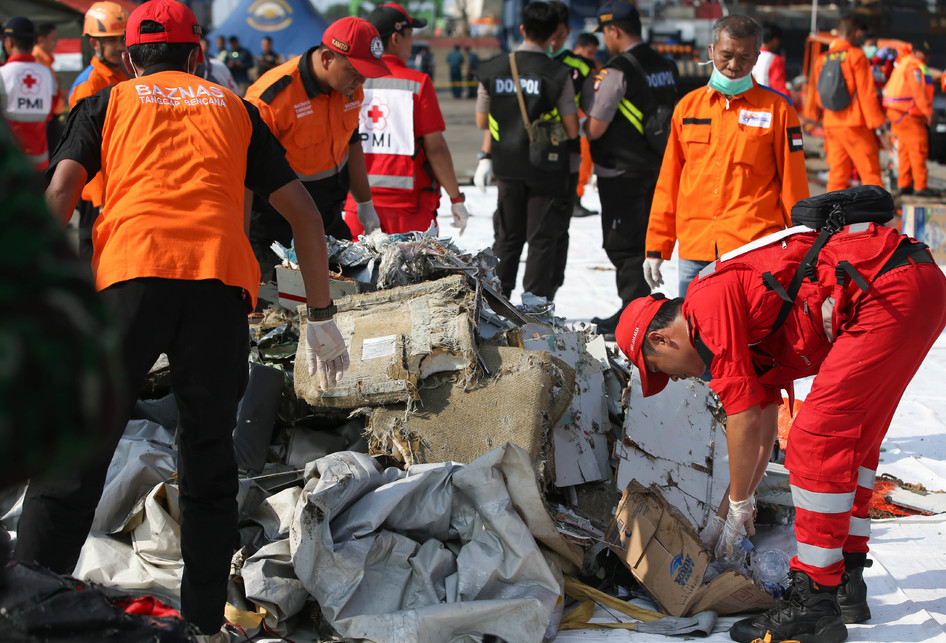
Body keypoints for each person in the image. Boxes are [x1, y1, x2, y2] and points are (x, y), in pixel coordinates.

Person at [14, 3, 350, 642]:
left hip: (128, 285)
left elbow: (57, 198)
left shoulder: (109, 103)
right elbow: (306, 216)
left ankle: (30, 604)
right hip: (217, 289)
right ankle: (200, 622)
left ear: (132, 57)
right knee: (207, 459)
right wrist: (323, 316)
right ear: (198, 55)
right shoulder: (234, 108)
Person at [615, 187, 946, 643]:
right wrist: (740, 502)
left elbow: (744, 414)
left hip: (887, 289)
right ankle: (845, 581)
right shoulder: (726, 316)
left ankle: (813, 601)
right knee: (855, 443)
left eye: (660, 373)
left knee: (815, 441)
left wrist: (733, 507)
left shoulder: (706, 306)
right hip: (911, 281)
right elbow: (764, 413)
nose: (673, 380)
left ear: (661, 341)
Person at [645, 15, 810, 298]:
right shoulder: (688, 108)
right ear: (711, 51)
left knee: (747, 334)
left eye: (745, 57)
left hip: (753, 249)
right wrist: (657, 246)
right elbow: (670, 181)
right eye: (726, 55)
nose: (734, 65)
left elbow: (794, 186)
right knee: (694, 334)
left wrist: (803, 248)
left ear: (757, 57)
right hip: (696, 248)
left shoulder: (778, 111)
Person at [244, 17, 389, 279]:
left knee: (347, 292)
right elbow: (243, 176)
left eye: (365, 75)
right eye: (355, 71)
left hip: (329, 215)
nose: (360, 82)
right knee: (280, 308)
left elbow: (352, 143)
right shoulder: (271, 99)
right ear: (326, 59)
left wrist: (365, 203)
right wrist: (239, 240)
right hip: (276, 223)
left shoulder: (348, 88)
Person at [581, 0, 679, 337]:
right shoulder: (664, 64)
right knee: (644, 241)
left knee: (623, 245)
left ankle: (634, 314)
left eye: (606, 33)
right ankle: (636, 309)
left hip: (621, 170)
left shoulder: (617, 70)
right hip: (657, 166)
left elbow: (594, 128)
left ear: (614, 30)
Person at [475, 1, 579, 302]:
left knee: (507, 237)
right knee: (542, 239)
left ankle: (496, 299)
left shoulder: (492, 69)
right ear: (553, 36)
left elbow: (482, 120)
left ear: (522, 29)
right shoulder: (559, 73)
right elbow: (572, 129)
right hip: (547, 167)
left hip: (507, 165)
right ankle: (534, 308)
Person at [343, 3, 470, 237]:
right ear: (395, 38)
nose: (412, 43)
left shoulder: (349, 81)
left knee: (354, 274)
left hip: (357, 207)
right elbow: (436, 150)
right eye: (410, 36)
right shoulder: (417, 83)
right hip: (409, 211)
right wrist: (456, 198)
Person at [543, 1, 597, 297]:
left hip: (563, 156)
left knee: (554, 231)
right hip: (529, 161)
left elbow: (588, 110)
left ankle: (546, 296)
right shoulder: (521, 62)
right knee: (516, 237)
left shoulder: (580, 67)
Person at [69, 1, 130, 263]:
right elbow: (82, 145)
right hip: (96, 184)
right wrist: (99, 195)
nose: (120, 46)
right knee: (91, 246)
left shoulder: (121, 76)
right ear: (94, 43)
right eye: (113, 40)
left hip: (116, 180)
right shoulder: (89, 84)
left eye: (122, 38)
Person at [813, 15, 888, 192]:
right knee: (871, 174)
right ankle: (875, 214)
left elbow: (818, 96)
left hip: (832, 125)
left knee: (837, 175)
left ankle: (832, 216)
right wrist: (880, 127)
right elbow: (866, 93)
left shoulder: (822, 59)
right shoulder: (856, 56)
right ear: (856, 34)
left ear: (838, 33)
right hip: (855, 125)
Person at [1, 17, 57, 170]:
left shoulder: (2, 74)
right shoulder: (48, 74)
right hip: (41, 164)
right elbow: (51, 113)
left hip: (9, 165)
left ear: (9, 42)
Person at [883, 40, 937, 197]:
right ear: (916, 52)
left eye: (928, 54)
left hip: (897, 114)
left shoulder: (903, 63)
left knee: (904, 151)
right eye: (924, 54)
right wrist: (929, 113)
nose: (926, 57)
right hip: (909, 115)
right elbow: (918, 92)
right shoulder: (914, 67)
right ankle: (920, 186)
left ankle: (904, 184)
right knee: (918, 149)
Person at [572, 31, 601, 214]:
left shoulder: (588, 67)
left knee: (585, 163)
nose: (592, 57)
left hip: (582, 121)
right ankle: (574, 200)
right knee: (582, 163)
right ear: (579, 48)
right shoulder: (577, 68)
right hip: (578, 122)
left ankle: (577, 199)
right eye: (589, 52)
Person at [32, 22, 67, 153]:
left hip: (51, 117)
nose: (56, 43)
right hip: (47, 118)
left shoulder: (45, 61)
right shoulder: (38, 61)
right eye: (53, 39)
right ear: (41, 39)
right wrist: (63, 93)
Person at [752, 22, 787, 95]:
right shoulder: (774, 59)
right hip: (766, 103)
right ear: (775, 40)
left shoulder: (747, 56)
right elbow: (779, 88)